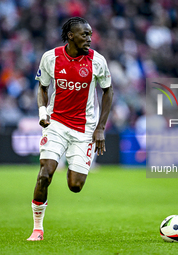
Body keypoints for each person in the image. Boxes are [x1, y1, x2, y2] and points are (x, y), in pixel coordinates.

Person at [27, 17, 113, 241]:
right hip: (56, 124)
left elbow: (108, 91)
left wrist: (100, 128)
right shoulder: (51, 58)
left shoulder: (97, 61)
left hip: (84, 129)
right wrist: (42, 112)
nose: (89, 39)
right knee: (44, 174)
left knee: (75, 186)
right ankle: (37, 229)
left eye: (91, 35)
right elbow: (42, 88)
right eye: (85, 35)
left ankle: (73, 162)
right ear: (71, 35)